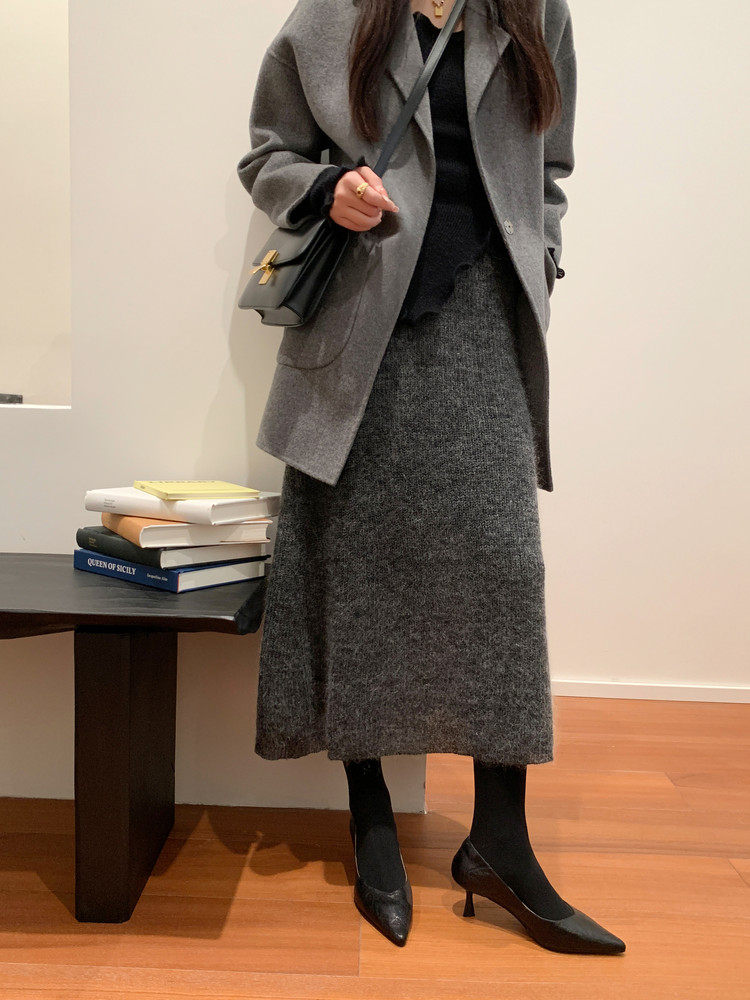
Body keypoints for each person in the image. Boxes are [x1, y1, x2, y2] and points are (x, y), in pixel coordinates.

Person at [237, 0, 625, 954]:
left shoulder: (533, 11)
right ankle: (371, 818)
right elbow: (268, 154)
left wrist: (541, 257)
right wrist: (326, 188)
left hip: (485, 318)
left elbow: (552, 166)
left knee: (501, 575)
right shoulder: (335, 13)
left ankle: (500, 840)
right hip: (360, 328)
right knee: (358, 571)